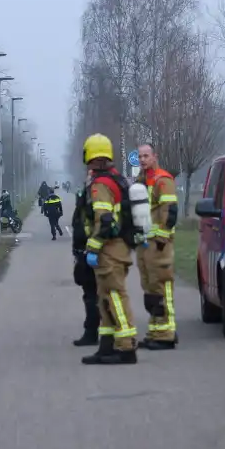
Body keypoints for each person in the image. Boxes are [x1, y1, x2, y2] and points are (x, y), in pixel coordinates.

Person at [80, 133, 139, 365]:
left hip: (110, 250)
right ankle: (106, 347)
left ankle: (126, 347)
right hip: (118, 248)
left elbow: (103, 220)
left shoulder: (101, 184)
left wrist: (92, 248)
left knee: (115, 297)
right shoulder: (116, 179)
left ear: (90, 155)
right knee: (105, 299)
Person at [136, 143, 179, 350]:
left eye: (146, 156)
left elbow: (169, 213)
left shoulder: (163, 180)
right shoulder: (140, 181)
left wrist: (162, 240)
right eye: (140, 156)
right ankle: (155, 330)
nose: (143, 159)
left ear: (155, 156)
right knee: (150, 289)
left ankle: (167, 334)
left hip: (159, 245)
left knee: (162, 287)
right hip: (144, 244)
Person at [70, 170, 99, 346]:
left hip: (93, 249)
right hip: (83, 249)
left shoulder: (97, 194)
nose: (89, 175)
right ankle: (93, 331)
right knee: (90, 292)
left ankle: (93, 332)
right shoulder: (85, 194)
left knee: (95, 294)